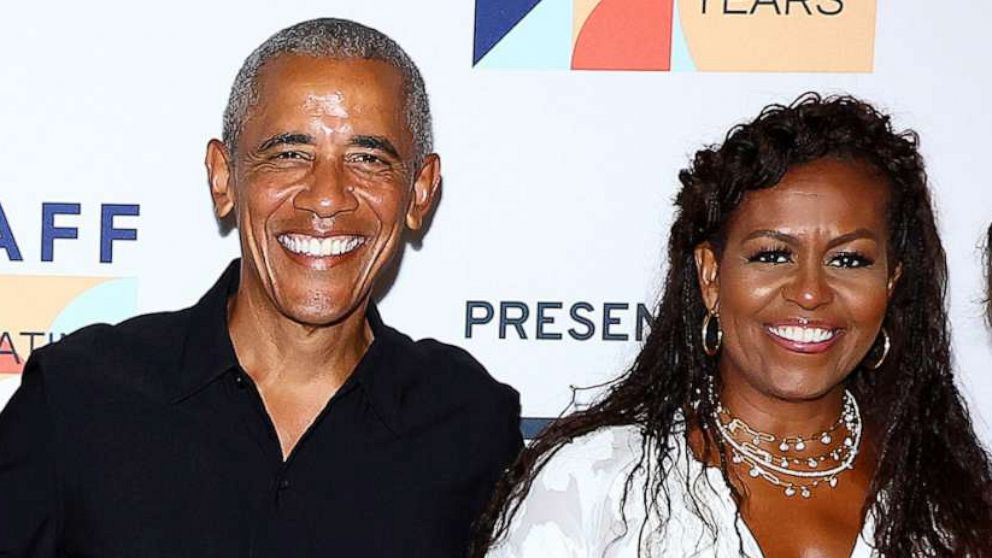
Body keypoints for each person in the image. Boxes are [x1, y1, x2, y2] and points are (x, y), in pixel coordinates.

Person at [0, 18, 522, 557]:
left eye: (368, 159)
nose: (326, 197)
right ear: (224, 177)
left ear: (419, 190)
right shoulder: (77, 397)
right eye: (289, 154)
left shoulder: (469, 425)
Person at [474, 94, 992, 557]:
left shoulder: (950, 503)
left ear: (892, 283)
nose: (810, 291)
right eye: (772, 255)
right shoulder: (597, 483)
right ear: (710, 276)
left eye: (849, 260)